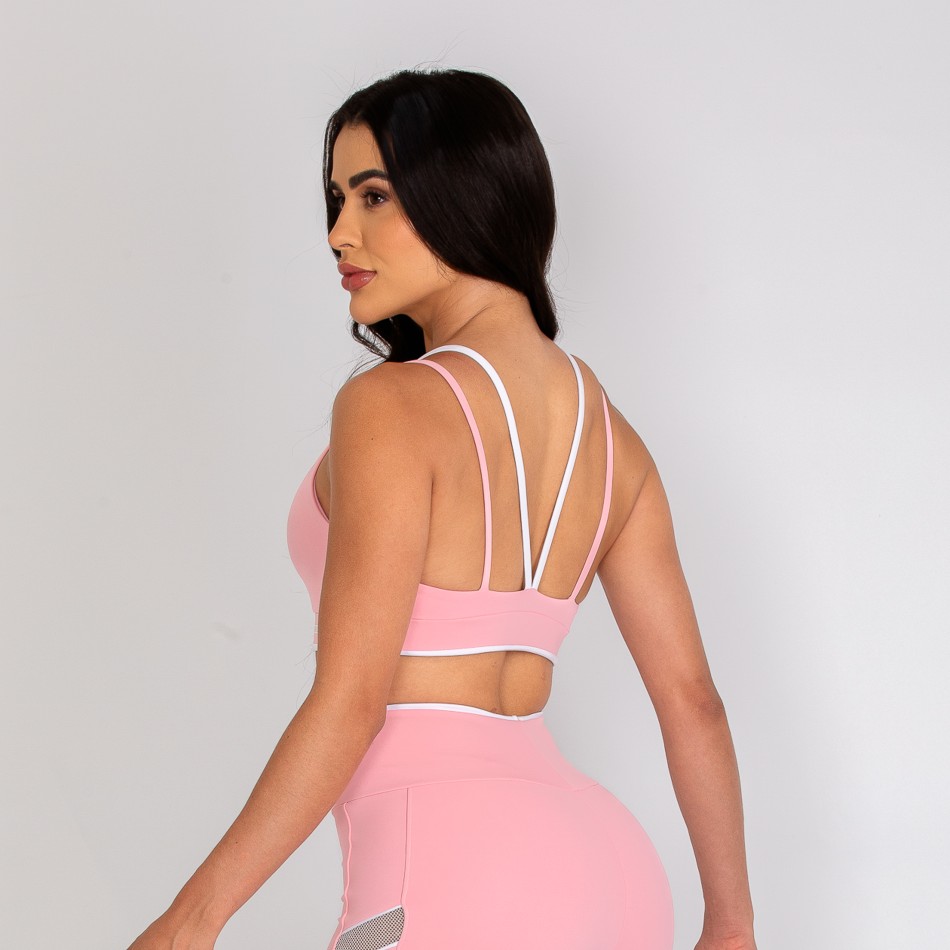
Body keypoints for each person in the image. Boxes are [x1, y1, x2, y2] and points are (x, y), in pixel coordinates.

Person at [128, 68, 756, 950]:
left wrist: (190, 922)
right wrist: (732, 923)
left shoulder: (390, 407)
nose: (339, 233)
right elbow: (694, 703)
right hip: (613, 877)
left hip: (448, 877)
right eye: (336, 200)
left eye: (374, 195)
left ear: (463, 191)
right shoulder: (617, 443)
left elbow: (352, 702)